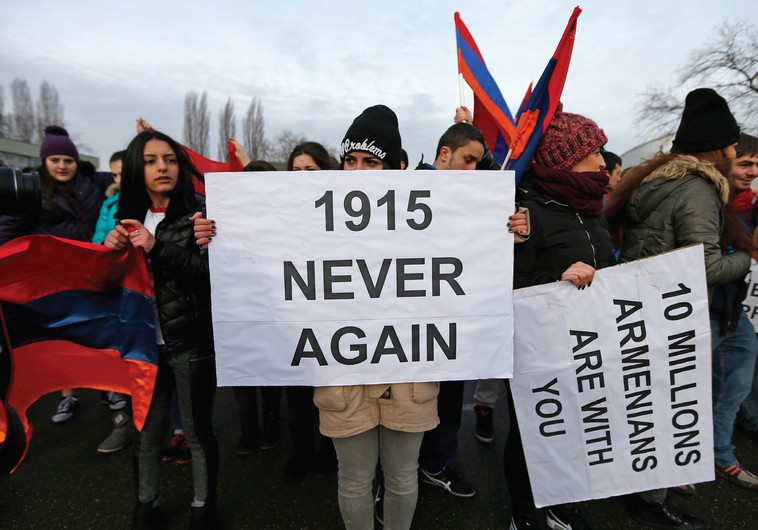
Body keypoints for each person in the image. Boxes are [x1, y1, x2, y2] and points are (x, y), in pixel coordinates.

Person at [606, 87, 750, 529]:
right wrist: (748, 257)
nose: (734, 154)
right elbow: (703, 266)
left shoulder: (656, 179)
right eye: (731, 148)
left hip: (644, 307)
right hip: (673, 315)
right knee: (669, 409)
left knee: (645, 407)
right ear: (718, 150)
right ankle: (651, 501)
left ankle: (638, 488)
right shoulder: (699, 189)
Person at [320, 104, 439, 530]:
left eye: (370, 162)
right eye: (350, 161)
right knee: (354, 479)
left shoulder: (432, 222)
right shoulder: (313, 222)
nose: (357, 171)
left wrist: (507, 234)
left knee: (403, 475)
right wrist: (219, 240)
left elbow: (470, 267)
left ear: (397, 166)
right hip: (343, 369)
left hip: (409, 369)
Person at [104, 129, 218, 529]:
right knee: (147, 432)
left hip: (189, 341)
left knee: (197, 431)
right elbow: (104, 284)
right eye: (151, 160)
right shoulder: (121, 218)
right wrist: (110, 251)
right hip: (142, 347)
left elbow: (208, 278)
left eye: (168, 158)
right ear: (137, 168)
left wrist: (156, 247)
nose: (162, 167)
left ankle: (204, 508)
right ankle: (145, 506)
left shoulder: (200, 213)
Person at [508, 103, 615, 530]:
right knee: (531, 433)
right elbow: (513, 284)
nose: (603, 161)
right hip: (540, 347)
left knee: (575, 427)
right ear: (566, 158)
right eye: (594, 152)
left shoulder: (590, 207)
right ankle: (526, 513)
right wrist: (561, 277)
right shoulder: (525, 212)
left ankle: (560, 501)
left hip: (587, 343)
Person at [0, 125, 112, 423]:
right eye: (55, 160)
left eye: (68, 160)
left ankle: (108, 386)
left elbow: (126, 172)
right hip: (54, 278)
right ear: (44, 162)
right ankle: (68, 395)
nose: (62, 166)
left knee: (96, 332)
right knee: (61, 336)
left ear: (77, 162)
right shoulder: (30, 190)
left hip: (91, 273)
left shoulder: (92, 183)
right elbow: (8, 231)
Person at [730, 133, 758, 442]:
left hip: (738, 306)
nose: (753, 172)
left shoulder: (752, 205)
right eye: (745, 164)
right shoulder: (710, 201)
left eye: (757, 165)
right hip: (713, 307)